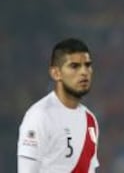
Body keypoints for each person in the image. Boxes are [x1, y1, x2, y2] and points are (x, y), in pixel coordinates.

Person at [17, 38, 100, 173]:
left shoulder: (90, 120)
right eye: (75, 66)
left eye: (87, 65)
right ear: (56, 73)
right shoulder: (40, 116)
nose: (84, 72)